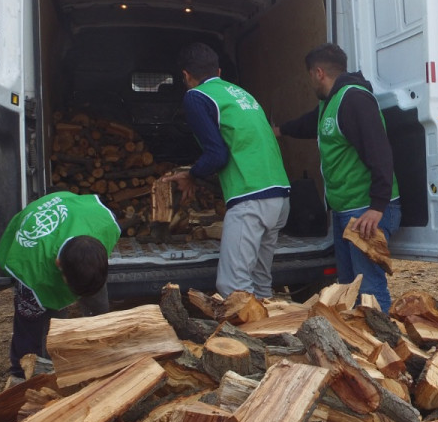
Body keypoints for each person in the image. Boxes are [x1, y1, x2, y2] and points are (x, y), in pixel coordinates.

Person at [276, 43, 401, 311]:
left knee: (368, 288)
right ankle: (358, 345)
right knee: (347, 288)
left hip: (365, 211)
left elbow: (380, 153)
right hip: (345, 212)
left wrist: (377, 207)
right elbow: (309, 124)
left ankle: (384, 347)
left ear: (319, 72)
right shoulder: (328, 103)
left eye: (310, 76)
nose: (311, 82)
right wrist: (280, 130)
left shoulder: (354, 99)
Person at [164, 43, 290, 299]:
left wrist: (191, 175)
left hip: (250, 198)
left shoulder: (197, 96)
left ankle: (246, 339)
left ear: (186, 76)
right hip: (279, 195)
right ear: (219, 71)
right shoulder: (240, 93)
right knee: (260, 282)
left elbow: (216, 155)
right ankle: (272, 334)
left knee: (234, 289)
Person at [0, 191, 120, 380]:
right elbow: (33, 322)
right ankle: (26, 374)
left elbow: (89, 277)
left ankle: (102, 350)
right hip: (33, 245)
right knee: (41, 321)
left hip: (76, 212)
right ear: (58, 265)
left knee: (97, 301)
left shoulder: (106, 225)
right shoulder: (31, 272)